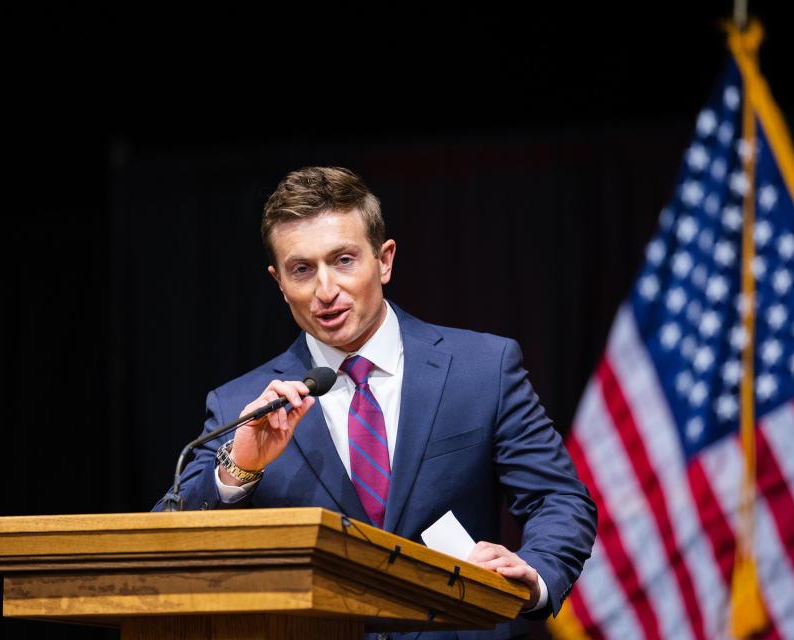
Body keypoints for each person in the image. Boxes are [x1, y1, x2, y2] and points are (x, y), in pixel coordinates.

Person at [153, 166, 597, 639]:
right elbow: (163, 543)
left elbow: (559, 498)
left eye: (343, 260)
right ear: (279, 282)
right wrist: (237, 470)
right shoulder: (243, 404)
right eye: (302, 269)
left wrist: (534, 577)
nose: (325, 291)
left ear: (384, 260)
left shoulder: (481, 369)